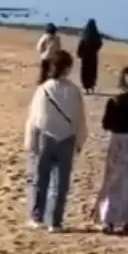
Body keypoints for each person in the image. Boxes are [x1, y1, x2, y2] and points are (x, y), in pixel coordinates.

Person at [24, 49, 87, 232]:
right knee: (61, 183)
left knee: (40, 179)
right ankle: (55, 221)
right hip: (67, 138)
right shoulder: (74, 91)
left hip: (45, 137)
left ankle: (37, 217)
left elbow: (35, 118)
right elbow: (79, 118)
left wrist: (31, 142)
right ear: (67, 68)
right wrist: (80, 141)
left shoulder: (43, 89)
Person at [96, 66, 128, 233]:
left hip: (116, 140)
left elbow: (106, 124)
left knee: (112, 181)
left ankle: (108, 220)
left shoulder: (114, 101)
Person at [76, 19, 103, 94]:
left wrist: (79, 53)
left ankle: (86, 88)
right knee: (92, 72)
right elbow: (100, 44)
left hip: (85, 57)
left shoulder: (85, 34)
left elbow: (81, 44)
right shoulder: (96, 35)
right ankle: (92, 87)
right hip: (93, 57)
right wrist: (95, 49)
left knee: (85, 72)